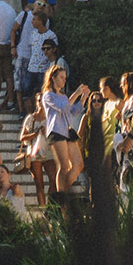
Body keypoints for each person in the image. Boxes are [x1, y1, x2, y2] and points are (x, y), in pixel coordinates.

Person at [42, 65, 90, 197]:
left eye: (65, 78)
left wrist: (83, 97)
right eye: (61, 77)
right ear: (53, 78)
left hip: (68, 131)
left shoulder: (63, 96)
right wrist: (76, 93)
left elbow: (73, 111)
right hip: (57, 131)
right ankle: (60, 196)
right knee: (64, 166)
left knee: (78, 164)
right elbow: (63, 108)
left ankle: (61, 194)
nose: (64, 80)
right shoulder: (48, 95)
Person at [17, 94, 57, 206]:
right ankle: (43, 209)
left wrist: (47, 133)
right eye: (39, 100)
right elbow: (22, 137)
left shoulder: (51, 118)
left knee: (54, 181)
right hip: (34, 153)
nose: (42, 103)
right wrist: (35, 134)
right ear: (36, 102)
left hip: (49, 151)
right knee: (39, 184)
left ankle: (50, 208)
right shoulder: (31, 118)